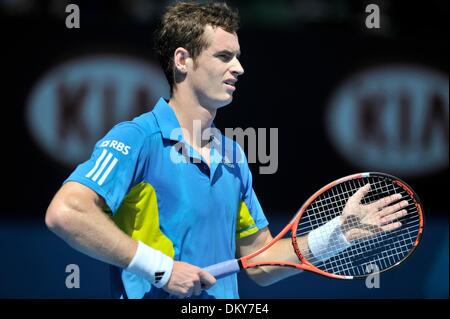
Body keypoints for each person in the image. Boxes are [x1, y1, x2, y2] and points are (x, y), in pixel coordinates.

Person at [45, 1, 408, 299]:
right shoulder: (138, 138)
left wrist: (337, 234)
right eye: (224, 56)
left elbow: (261, 263)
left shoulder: (233, 156)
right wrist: (160, 269)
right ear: (182, 60)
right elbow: (66, 213)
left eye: (237, 56)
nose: (239, 68)